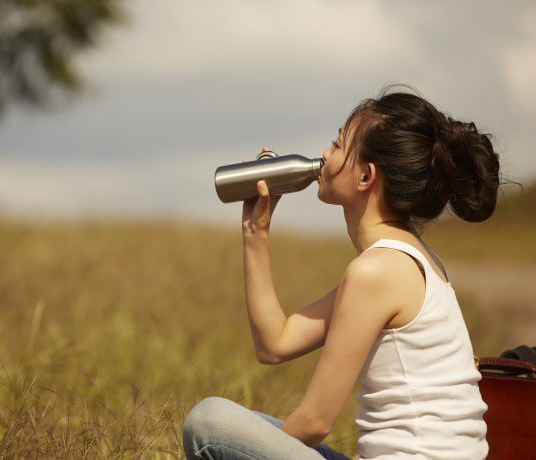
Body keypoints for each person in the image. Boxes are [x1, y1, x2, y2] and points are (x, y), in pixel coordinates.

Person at [183, 86, 501, 459]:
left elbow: (315, 421)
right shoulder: (405, 259)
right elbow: (275, 343)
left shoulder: (378, 272)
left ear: (366, 177)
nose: (324, 155)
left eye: (336, 146)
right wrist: (256, 233)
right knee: (244, 425)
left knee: (210, 423)